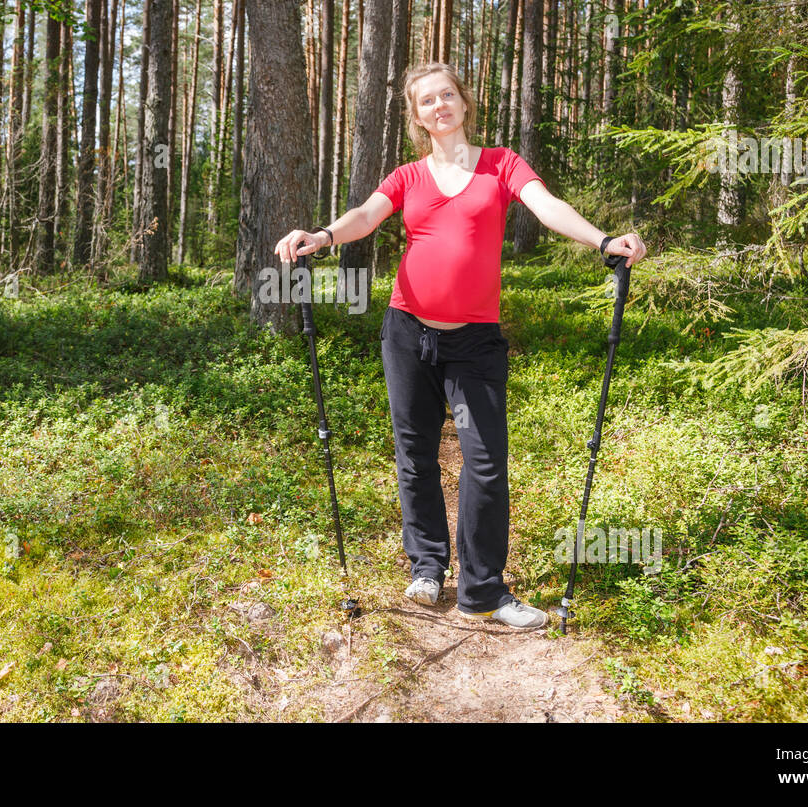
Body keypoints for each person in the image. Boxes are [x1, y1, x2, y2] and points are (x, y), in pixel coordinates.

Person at [274, 61, 647, 629]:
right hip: (406, 332)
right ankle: (427, 567)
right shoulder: (407, 176)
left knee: (485, 461)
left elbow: (546, 206)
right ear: (417, 116)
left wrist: (603, 240)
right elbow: (366, 217)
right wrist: (322, 236)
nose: (440, 106)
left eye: (448, 95)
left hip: (474, 343)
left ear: (465, 103)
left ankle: (483, 590)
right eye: (428, 101)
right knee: (416, 454)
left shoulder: (501, 164)